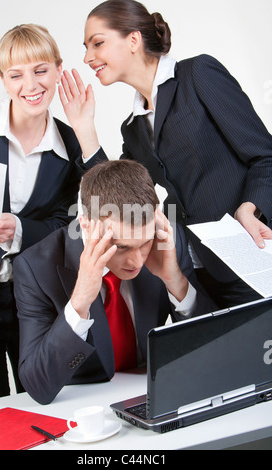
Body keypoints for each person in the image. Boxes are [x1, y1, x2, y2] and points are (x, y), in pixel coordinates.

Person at [63, 0, 272, 309]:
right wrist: (84, 128)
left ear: (133, 40)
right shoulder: (133, 128)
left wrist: (248, 207)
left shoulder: (197, 74)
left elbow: (265, 156)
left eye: (97, 43)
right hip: (195, 273)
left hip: (249, 257)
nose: (87, 57)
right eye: (86, 47)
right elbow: (117, 197)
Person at [0, 24, 104, 403]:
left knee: (48, 402)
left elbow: (109, 206)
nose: (30, 84)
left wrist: (84, 128)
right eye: (16, 75)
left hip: (34, 301)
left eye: (41, 70)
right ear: (3, 79)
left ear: (59, 70)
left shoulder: (68, 140)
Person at [14, 159, 217, 405]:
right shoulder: (35, 268)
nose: (136, 260)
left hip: (153, 395)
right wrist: (79, 302)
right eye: (121, 246)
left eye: (145, 242)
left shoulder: (167, 241)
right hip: (84, 407)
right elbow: (38, 385)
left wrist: (175, 280)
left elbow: (214, 348)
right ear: (87, 224)